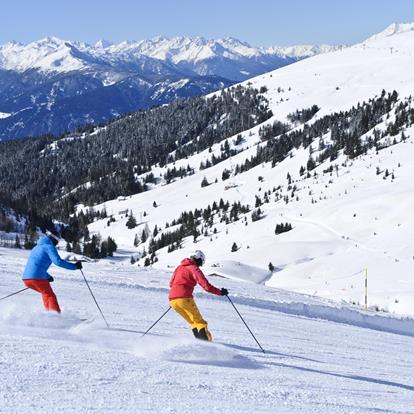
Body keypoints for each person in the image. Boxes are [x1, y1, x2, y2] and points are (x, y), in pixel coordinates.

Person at [169, 250, 228, 341]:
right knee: (200, 322)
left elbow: (171, 284)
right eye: (202, 261)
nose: (201, 264)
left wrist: (176, 297)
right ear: (199, 258)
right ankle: (206, 345)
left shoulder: (179, 267)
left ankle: (200, 345)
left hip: (173, 301)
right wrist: (220, 292)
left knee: (193, 322)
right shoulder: (194, 268)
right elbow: (206, 286)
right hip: (184, 299)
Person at [22, 230, 82, 313]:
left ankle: (49, 315)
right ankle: (55, 317)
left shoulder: (36, 247)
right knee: (50, 295)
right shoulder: (49, 247)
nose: (56, 244)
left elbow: (36, 265)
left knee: (46, 293)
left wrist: (47, 277)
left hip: (26, 279)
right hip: (37, 278)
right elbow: (58, 261)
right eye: (57, 241)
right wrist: (74, 266)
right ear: (54, 240)